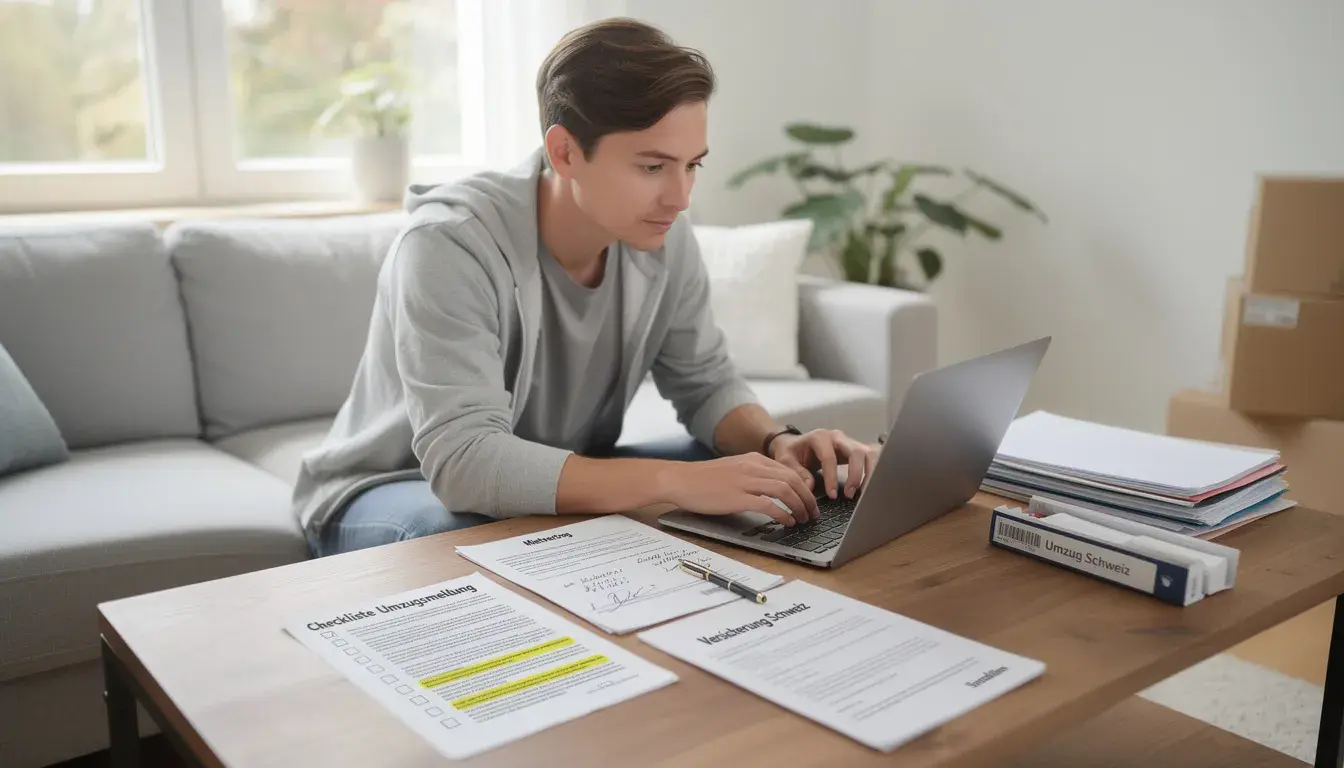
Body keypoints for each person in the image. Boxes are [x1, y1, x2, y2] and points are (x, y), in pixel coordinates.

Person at [292, 17, 880, 557]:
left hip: (562, 464)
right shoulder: (448, 244)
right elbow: (465, 465)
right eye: (652, 167)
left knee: (766, 476)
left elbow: (704, 383)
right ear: (565, 152)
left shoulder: (664, 236)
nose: (680, 197)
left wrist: (776, 443)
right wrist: (672, 481)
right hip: (396, 484)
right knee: (470, 536)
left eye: (692, 165)